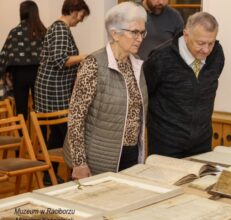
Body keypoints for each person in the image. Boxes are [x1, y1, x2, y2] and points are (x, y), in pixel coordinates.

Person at [63, 2, 148, 179]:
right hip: (97, 159)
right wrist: (79, 162)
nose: (140, 38)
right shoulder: (94, 64)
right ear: (115, 34)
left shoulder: (136, 63)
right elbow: (76, 117)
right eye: (134, 32)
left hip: (130, 154)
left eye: (142, 32)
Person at [144, 12, 225, 158]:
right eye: (200, 43)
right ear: (186, 35)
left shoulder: (217, 54)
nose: (206, 50)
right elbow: (144, 95)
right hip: (166, 144)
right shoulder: (161, 58)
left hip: (202, 142)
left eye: (211, 43)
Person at [34, 0, 90, 184]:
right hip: (53, 92)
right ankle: (67, 175)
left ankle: (50, 175)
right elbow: (61, 60)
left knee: (58, 135)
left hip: (54, 90)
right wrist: (85, 57)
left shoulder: (61, 29)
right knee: (67, 133)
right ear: (74, 10)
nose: (81, 20)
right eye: (81, 15)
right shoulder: (60, 29)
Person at [0, 0, 46, 119]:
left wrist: (5, 74)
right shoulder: (43, 32)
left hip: (19, 75)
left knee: (20, 111)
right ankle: (42, 137)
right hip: (39, 74)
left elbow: (4, 55)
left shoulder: (15, 32)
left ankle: (21, 137)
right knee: (40, 110)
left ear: (22, 13)